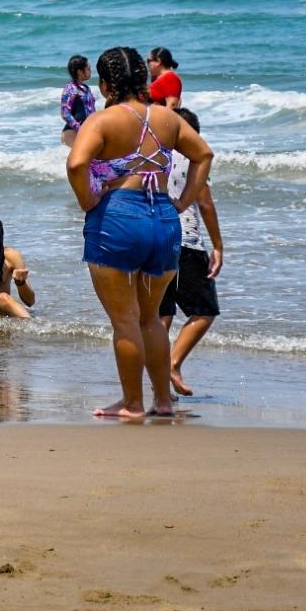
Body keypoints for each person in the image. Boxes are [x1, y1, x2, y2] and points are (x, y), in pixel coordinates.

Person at [66, 46, 213, 419]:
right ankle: (163, 402)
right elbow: (204, 155)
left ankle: (132, 403)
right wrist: (182, 203)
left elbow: (77, 162)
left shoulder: (102, 121)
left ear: (104, 84)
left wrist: (88, 199)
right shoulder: (167, 118)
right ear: (143, 81)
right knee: (151, 319)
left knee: (125, 321)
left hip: (117, 218)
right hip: (164, 221)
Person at [160, 109, 224, 398]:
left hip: (154, 241)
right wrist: (218, 247)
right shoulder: (192, 160)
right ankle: (172, 365)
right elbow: (206, 205)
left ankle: (159, 382)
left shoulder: (155, 157)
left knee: (161, 314)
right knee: (204, 310)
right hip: (185, 243)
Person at [60, 54, 96, 147]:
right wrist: (79, 129)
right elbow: (65, 113)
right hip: (72, 133)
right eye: (88, 68)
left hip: (85, 132)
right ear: (80, 71)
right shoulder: (70, 88)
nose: (90, 71)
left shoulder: (86, 88)